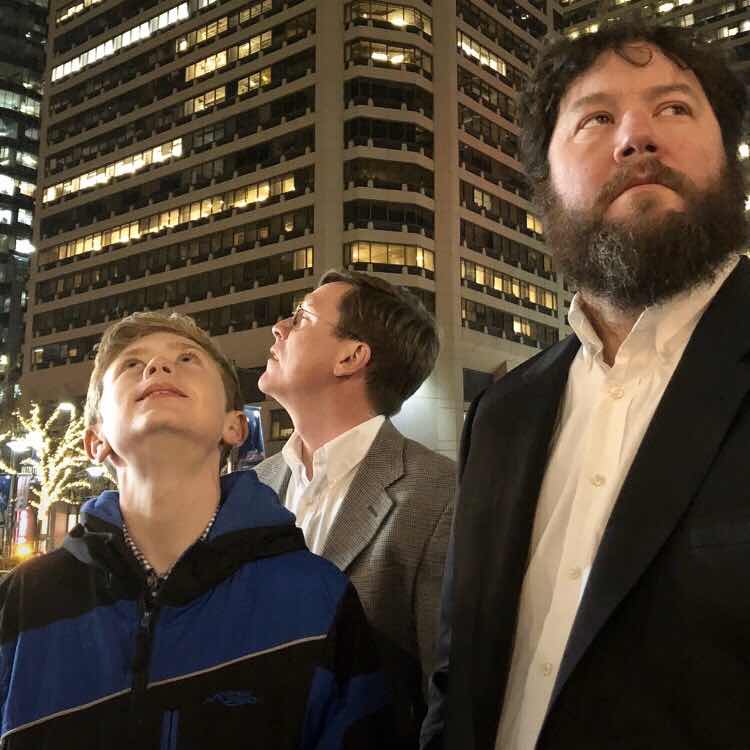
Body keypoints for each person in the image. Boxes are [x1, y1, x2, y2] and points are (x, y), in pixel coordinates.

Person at [422, 21, 750, 750]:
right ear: (545, 187)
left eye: (673, 107)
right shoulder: (502, 413)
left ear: (730, 157)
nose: (636, 137)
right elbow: (458, 673)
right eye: (596, 118)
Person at [0, 311, 392, 749]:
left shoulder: (317, 598)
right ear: (96, 440)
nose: (157, 367)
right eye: (132, 364)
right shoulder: (24, 600)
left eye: (186, 359)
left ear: (235, 426)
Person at [255, 269, 455, 749]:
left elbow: (447, 695)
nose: (278, 328)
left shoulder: (441, 494)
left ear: (351, 357)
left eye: (301, 318)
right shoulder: (253, 487)